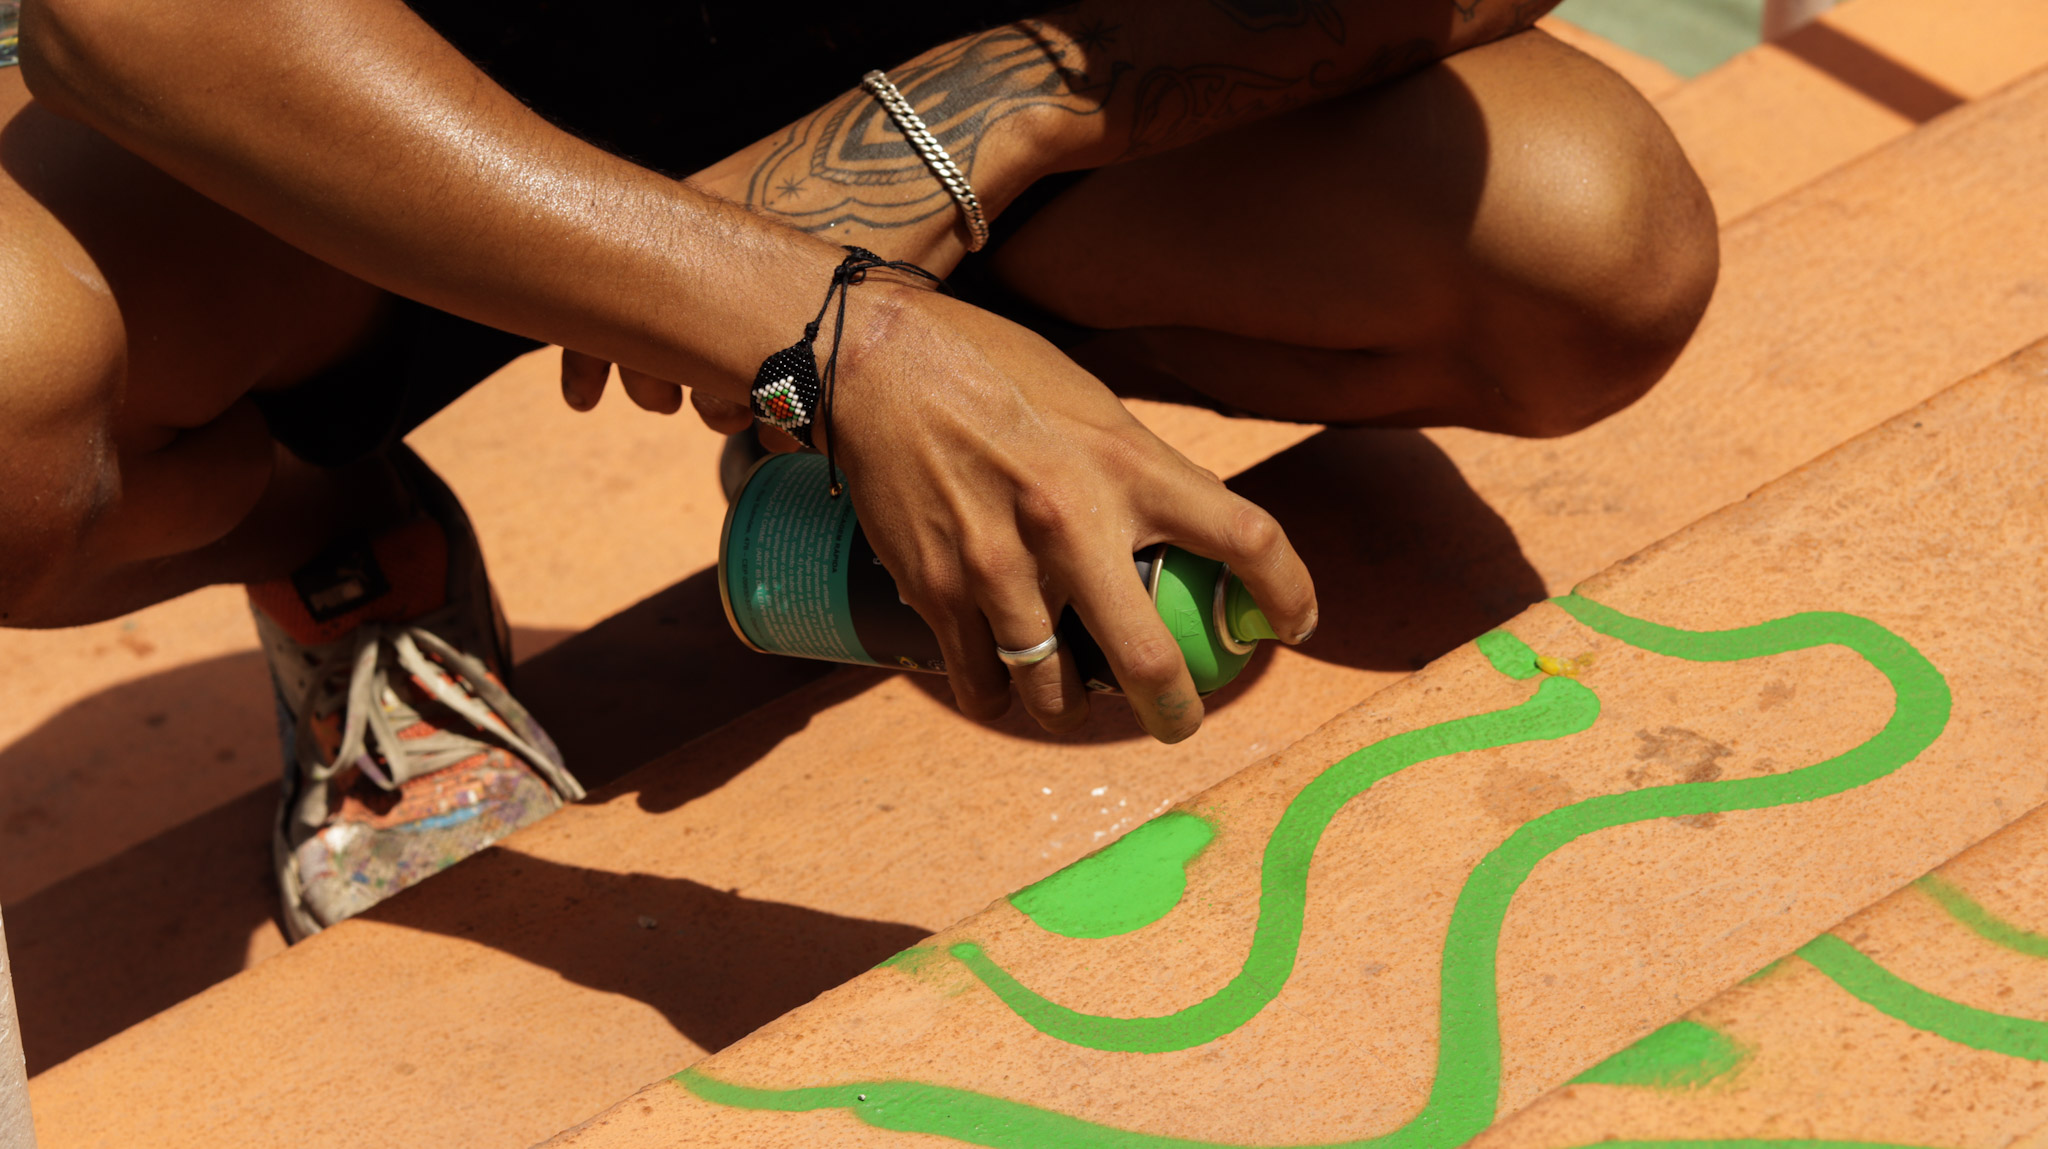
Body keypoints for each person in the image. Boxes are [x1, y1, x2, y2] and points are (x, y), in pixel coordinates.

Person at [0, 0, 1718, 936]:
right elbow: (132, 17)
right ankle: (338, 527)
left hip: (975, 55)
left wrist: (994, 110)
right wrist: (823, 332)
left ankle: (978, 359)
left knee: (1582, 246)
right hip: (409, 102)